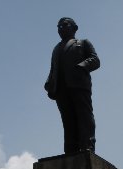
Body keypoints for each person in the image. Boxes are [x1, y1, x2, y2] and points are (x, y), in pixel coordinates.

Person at [44, 18, 100, 154]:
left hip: (79, 85)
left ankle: (87, 145)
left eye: (65, 25)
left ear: (75, 28)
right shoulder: (56, 49)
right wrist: (48, 82)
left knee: (84, 116)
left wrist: (80, 67)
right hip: (61, 89)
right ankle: (70, 149)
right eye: (59, 26)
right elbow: (53, 69)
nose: (61, 28)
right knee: (67, 120)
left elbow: (95, 60)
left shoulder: (83, 43)